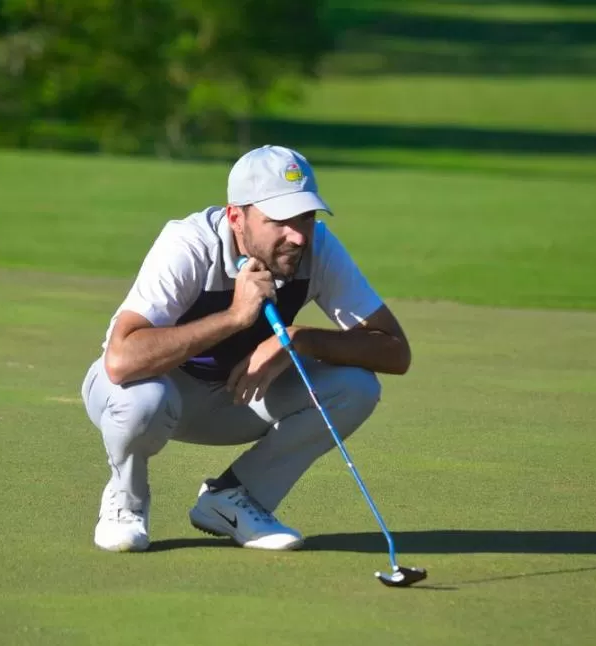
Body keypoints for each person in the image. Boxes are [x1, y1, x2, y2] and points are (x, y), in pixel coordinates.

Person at [80, 144, 412, 553]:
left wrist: (299, 339)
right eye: (279, 221)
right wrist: (236, 317)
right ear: (237, 216)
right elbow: (121, 360)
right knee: (142, 400)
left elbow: (395, 351)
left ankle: (234, 498)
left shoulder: (317, 249)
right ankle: (125, 502)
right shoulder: (188, 244)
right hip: (148, 392)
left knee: (356, 388)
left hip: (237, 398)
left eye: (306, 217)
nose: (298, 235)